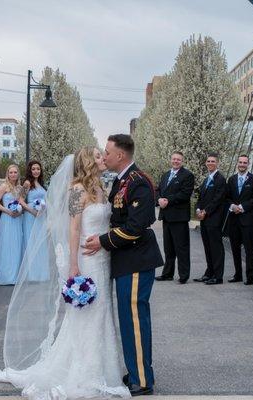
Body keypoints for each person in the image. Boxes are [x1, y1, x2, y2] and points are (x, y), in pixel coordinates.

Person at [0, 147, 130, 400]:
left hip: (103, 258)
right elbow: (74, 229)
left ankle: (103, 367)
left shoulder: (100, 188)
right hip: (86, 259)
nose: (104, 159)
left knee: (102, 311)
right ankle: (84, 370)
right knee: (88, 312)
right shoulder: (77, 190)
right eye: (99, 156)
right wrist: (74, 266)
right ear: (89, 162)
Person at [83, 134, 163, 396]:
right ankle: (138, 369)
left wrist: (103, 241)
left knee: (135, 319)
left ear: (121, 155)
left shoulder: (138, 182)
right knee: (130, 320)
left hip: (136, 258)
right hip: (126, 259)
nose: (104, 157)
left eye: (107, 152)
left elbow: (136, 227)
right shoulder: (122, 180)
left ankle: (142, 379)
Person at [155, 151, 194, 284]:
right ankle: (168, 273)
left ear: (182, 161)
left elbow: (185, 194)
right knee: (168, 248)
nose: (176, 161)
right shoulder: (166, 175)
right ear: (170, 160)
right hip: (166, 217)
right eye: (174, 159)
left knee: (181, 248)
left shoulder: (188, 175)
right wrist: (159, 199)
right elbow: (158, 190)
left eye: (178, 159)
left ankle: (183, 275)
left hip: (179, 217)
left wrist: (167, 201)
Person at [226, 154, 253, 285]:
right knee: (234, 249)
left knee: (249, 250)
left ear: (248, 164)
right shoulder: (231, 179)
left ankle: (251, 276)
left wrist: (242, 207)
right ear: (237, 163)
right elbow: (227, 197)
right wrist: (232, 206)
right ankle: (238, 275)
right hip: (234, 220)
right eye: (240, 162)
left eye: (244, 162)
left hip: (248, 220)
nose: (242, 164)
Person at [193, 153, 227, 285]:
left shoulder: (220, 179)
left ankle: (218, 276)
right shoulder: (206, 180)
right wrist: (198, 210)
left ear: (217, 163)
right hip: (204, 219)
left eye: (213, 161)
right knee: (208, 247)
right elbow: (200, 198)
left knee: (216, 248)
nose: (210, 163)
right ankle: (209, 273)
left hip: (214, 219)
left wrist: (205, 211)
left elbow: (217, 199)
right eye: (208, 161)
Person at [0, 164, 24, 285]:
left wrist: (19, 210)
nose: (13, 174)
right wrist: (7, 211)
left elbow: (21, 203)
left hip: (17, 218)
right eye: (11, 172)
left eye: (15, 172)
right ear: (7, 174)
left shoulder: (20, 188)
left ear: (18, 174)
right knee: (7, 245)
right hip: (7, 218)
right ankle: (6, 276)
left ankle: (16, 275)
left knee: (17, 245)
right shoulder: (4, 186)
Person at [20, 160, 49, 281]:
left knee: (40, 243)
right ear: (30, 171)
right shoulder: (27, 183)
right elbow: (20, 200)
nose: (36, 171)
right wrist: (31, 211)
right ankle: (31, 274)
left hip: (41, 216)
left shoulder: (42, 184)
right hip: (30, 216)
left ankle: (40, 273)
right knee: (31, 242)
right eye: (33, 169)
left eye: (38, 169)